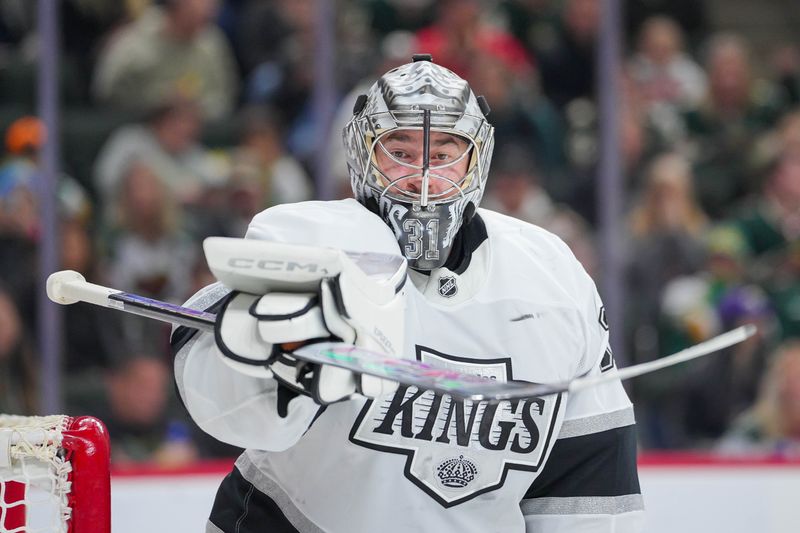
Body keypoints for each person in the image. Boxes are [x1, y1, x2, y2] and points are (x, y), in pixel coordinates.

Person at [173, 56, 643, 532]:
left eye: (443, 154)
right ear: (363, 154)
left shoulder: (551, 277)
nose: (421, 178)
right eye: (398, 151)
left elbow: (587, 485)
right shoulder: (308, 243)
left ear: (476, 160)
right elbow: (230, 412)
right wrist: (274, 365)